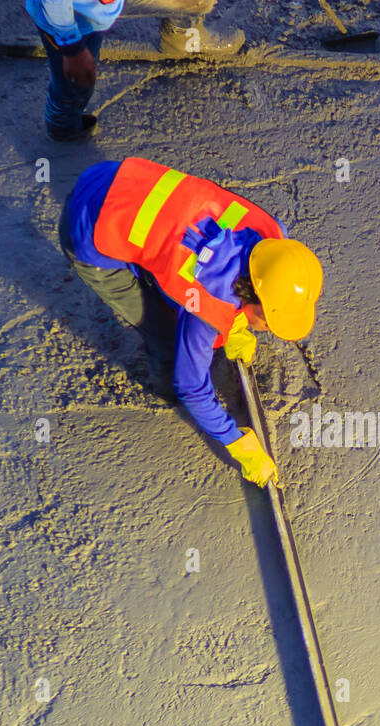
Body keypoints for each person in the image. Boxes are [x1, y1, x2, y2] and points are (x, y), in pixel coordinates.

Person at [60, 157, 324, 487]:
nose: (271, 328)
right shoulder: (208, 310)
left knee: (166, 272)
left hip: (114, 177)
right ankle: (161, 389)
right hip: (89, 235)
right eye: (269, 319)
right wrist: (237, 443)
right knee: (167, 337)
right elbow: (193, 386)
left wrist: (236, 326)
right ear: (251, 296)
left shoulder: (267, 234)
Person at [27, 0, 245, 142]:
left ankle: (183, 35)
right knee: (75, 84)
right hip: (70, 23)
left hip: (91, 12)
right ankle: (62, 125)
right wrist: (71, 48)